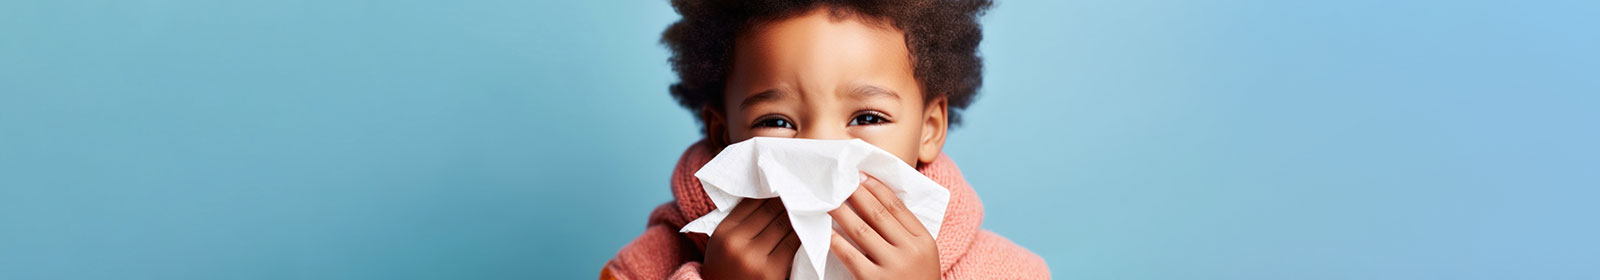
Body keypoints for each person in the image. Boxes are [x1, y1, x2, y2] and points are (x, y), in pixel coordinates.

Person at [603, 0, 1048, 279]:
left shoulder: (1009, 273)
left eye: (868, 116)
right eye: (776, 121)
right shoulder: (644, 268)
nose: (822, 149)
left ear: (928, 128)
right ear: (724, 135)